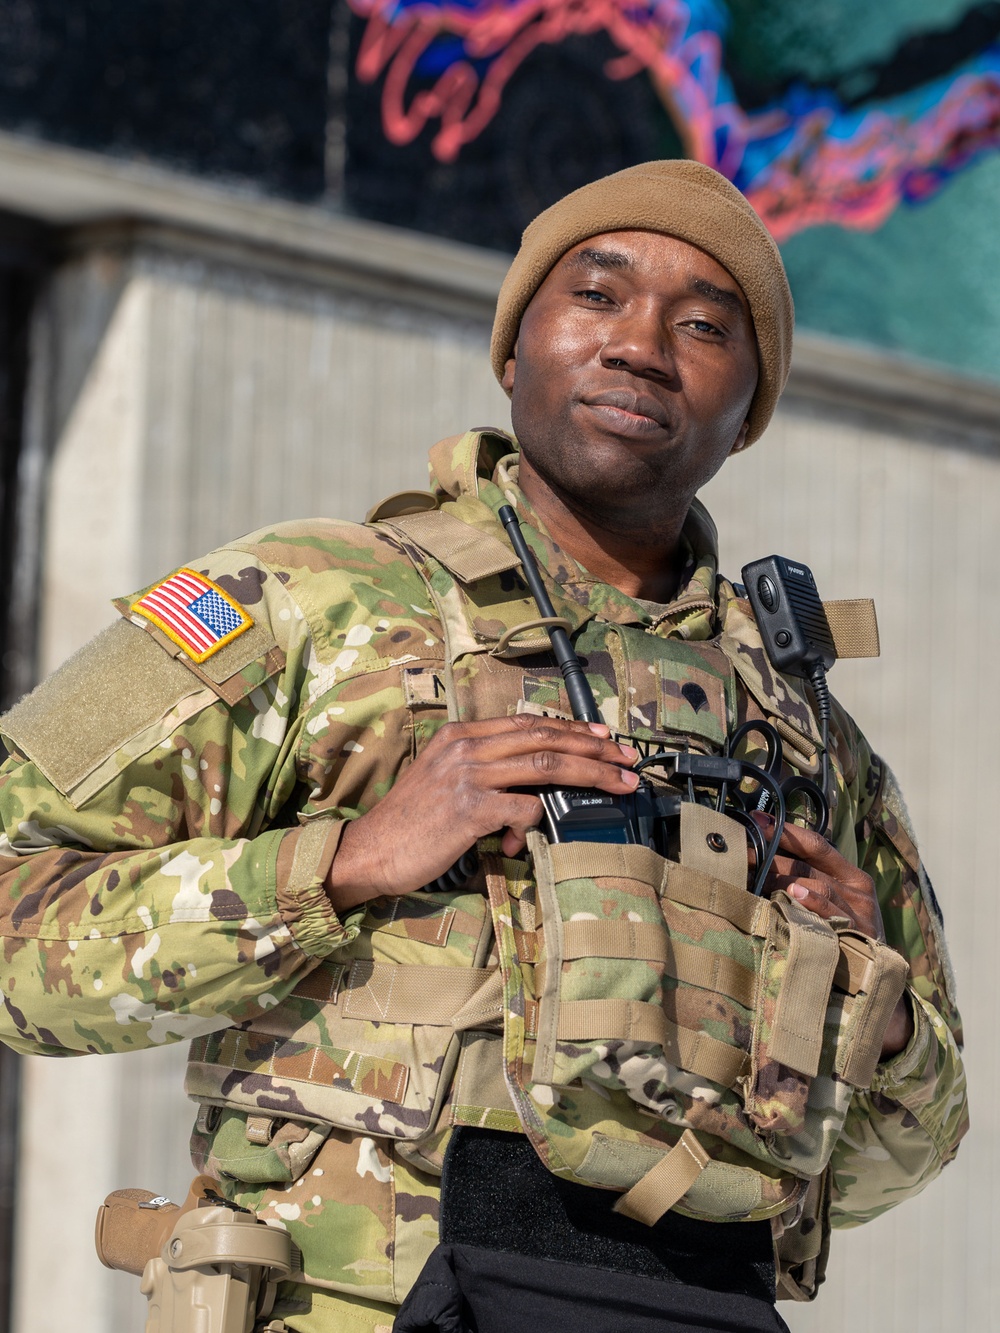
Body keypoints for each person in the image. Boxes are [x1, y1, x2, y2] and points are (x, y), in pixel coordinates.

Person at [0, 161, 967, 1333]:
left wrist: (877, 1007)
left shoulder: (809, 737)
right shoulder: (309, 599)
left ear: (748, 407)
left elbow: (889, 1164)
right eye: (597, 296)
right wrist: (346, 859)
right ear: (513, 348)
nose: (640, 347)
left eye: (704, 325)